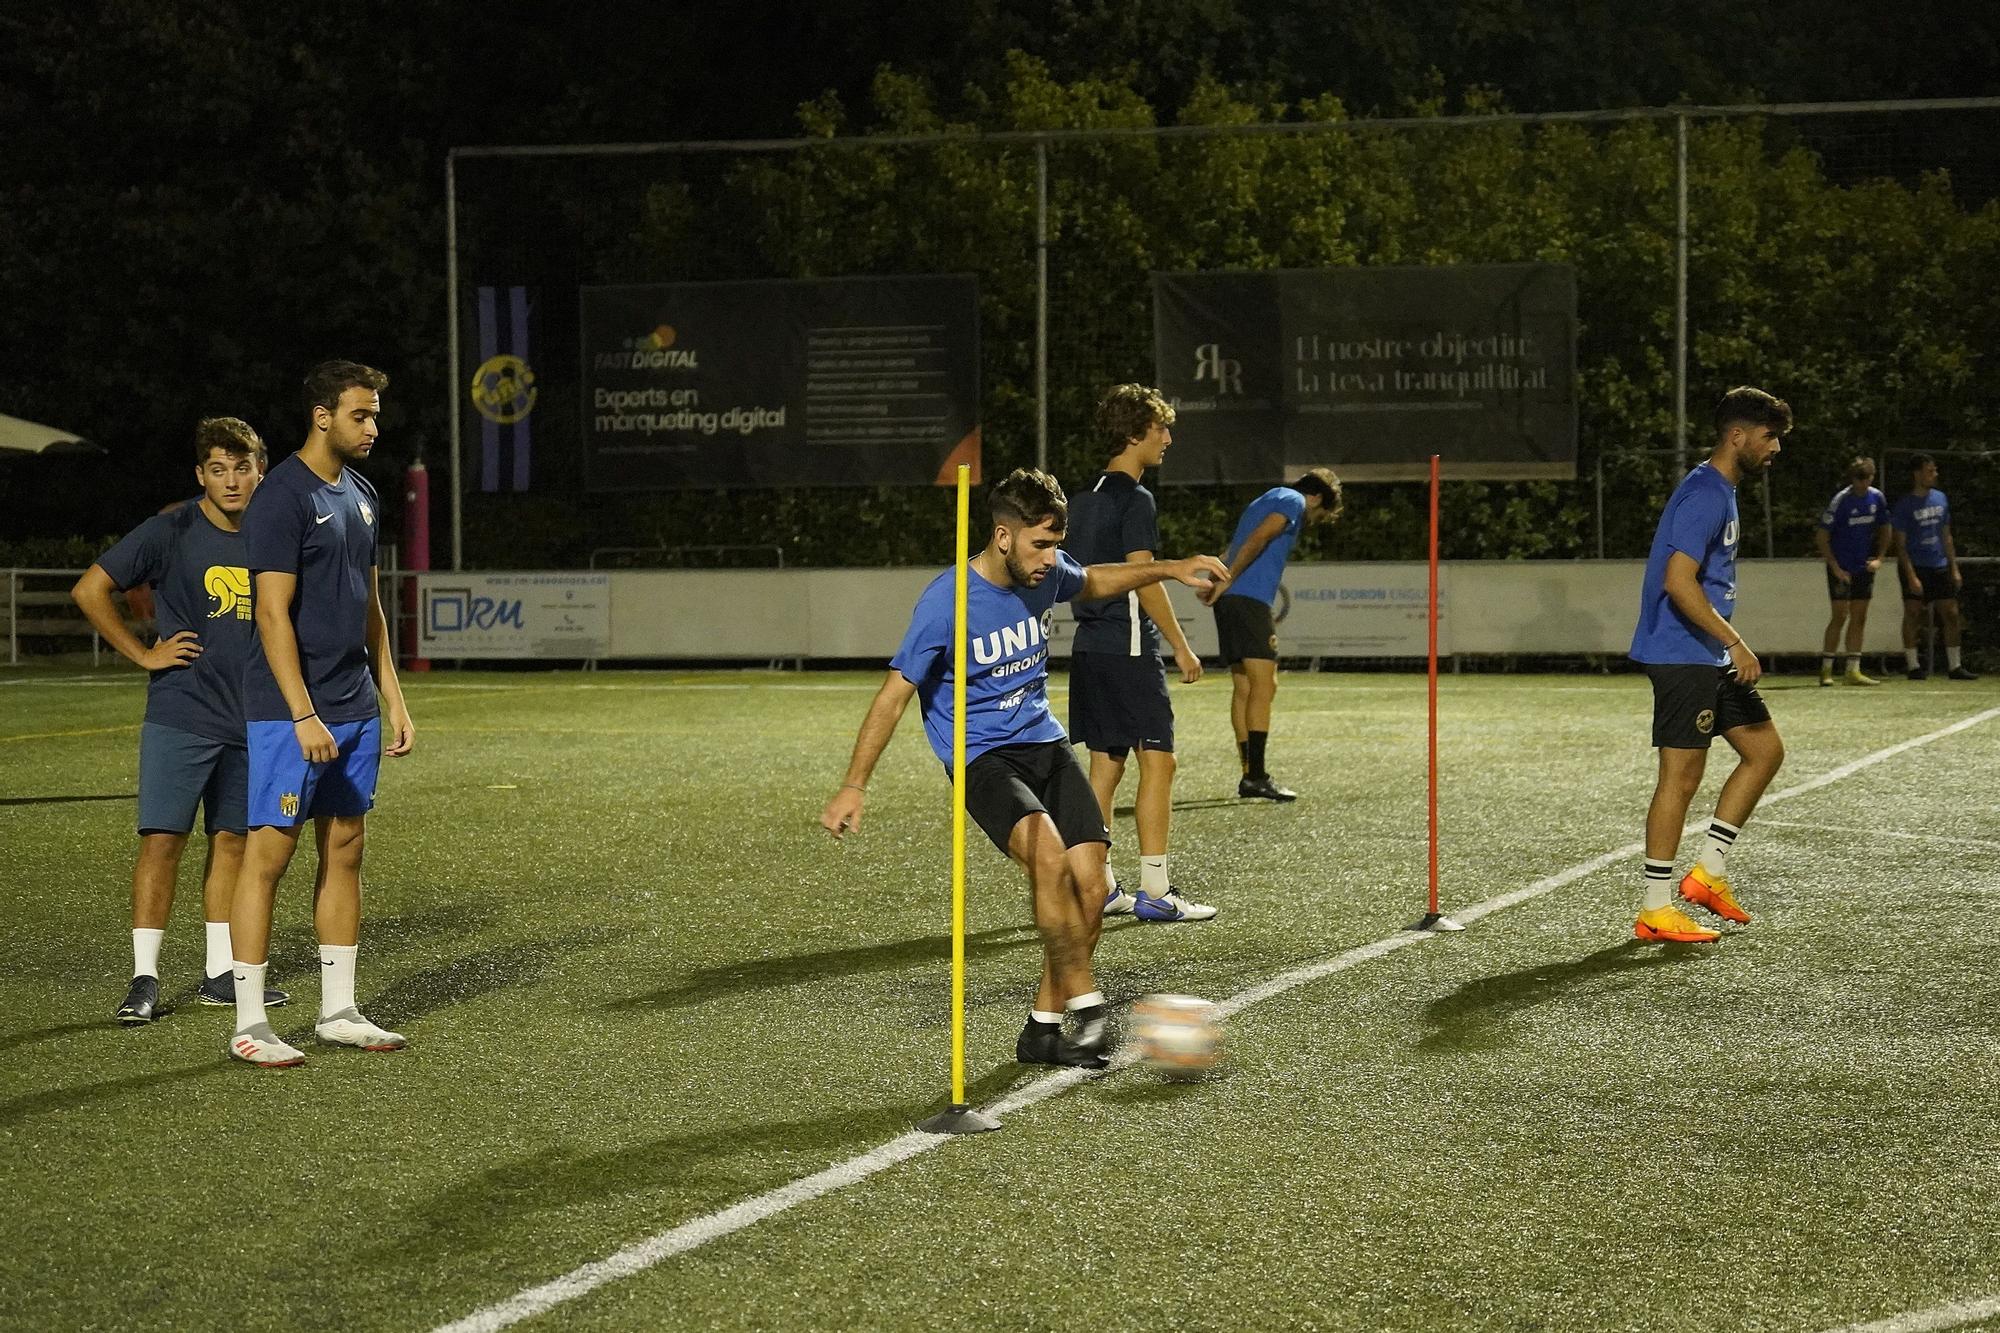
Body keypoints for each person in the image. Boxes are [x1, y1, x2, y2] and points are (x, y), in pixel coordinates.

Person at [820, 468, 1229, 1068]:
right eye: (1040, 545)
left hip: (1044, 744)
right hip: (981, 756)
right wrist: (854, 785)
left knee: (1093, 885)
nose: (1050, 559)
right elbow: (893, 694)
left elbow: (1093, 581)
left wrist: (1169, 568)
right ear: (1002, 536)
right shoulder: (947, 600)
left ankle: (1043, 1026)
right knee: (1046, 855)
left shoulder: (1042, 573)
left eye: (1056, 545)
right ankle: (1090, 1008)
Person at [226, 360, 415, 1066]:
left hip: (354, 706)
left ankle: (339, 1009)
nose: (372, 426)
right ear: (322, 416)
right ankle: (250, 1020)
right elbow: (271, 614)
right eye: (360, 414)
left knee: (345, 848)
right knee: (267, 854)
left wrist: (391, 698)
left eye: (374, 415)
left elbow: (371, 610)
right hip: (289, 713)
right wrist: (303, 713)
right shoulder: (281, 497)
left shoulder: (362, 495)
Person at [71, 418, 291, 1024]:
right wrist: (144, 653)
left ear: (261, 470)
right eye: (217, 469)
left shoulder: (276, 531)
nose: (231, 480)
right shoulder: (172, 529)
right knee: (163, 840)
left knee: (233, 841)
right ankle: (144, 976)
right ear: (201, 475)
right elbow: (91, 588)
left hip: (255, 716)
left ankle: (220, 971)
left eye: (242, 467)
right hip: (182, 712)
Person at [1628, 386, 1790, 945]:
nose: (1775, 448)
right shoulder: (1705, 493)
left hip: (1705, 652)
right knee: (1682, 776)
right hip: (1681, 652)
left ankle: (1708, 875)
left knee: (1764, 750)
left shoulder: (1722, 490)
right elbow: (1679, 583)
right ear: (1737, 436)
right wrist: (1736, 642)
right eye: (1770, 437)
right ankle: (1655, 908)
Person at [1063, 385, 1216, 924]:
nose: (1167, 438)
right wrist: (1181, 645)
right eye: (1160, 429)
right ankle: (1156, 888)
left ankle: (1098, 886)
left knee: (1105, 764)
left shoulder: (1081, 499)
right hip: (1127, 646)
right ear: (1134, 435)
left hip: (1088, 647)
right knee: (1160, 759)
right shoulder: (1135, 498)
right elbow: (1147, 580)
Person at [1206, 468, 1344, 801]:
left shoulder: (1266, 498)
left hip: (1232, 599)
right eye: (1318, 515)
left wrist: (1218, 578)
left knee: (1244, 687)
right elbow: (1259, 539)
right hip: (1249, 599)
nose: (1311, 521)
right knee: (1265, 684)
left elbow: (1235, 545)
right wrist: (1229, 577)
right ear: (1315, 497)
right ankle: (1256, 776)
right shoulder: (1292, 501)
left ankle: (1248, 773)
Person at [1890, 453, 1977, 681]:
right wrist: (1911, 576)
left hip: (1938, 564)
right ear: (1917, 474)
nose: (1934, 475)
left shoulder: (1940, 499)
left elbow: (1946, 536)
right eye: (1930, 471)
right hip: (1916, 566)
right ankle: (1913, 665)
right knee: (1913, 613)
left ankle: (1955, 665)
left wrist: (1954, 567)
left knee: (1951, 613)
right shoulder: (1904, 505)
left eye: (1935, 470)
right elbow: (1900, 544)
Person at [1814, 456, 1890, 687]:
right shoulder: (1841, 501)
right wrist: (1835, 567)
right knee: (1840, 615)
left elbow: (1886, 528)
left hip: (1863, 566)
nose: (1862, 484)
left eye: (1866, 479)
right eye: (1858, 479)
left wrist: (1879, 558)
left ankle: (1853, 670)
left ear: (1871, 478)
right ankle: (1826, 669)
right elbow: (1822, 536)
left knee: (1859, 617)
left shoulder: (1877, 498)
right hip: (1841, 566)